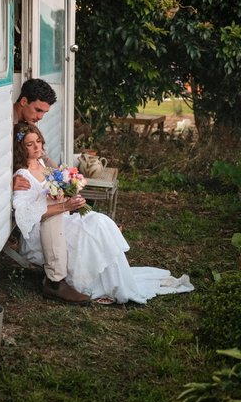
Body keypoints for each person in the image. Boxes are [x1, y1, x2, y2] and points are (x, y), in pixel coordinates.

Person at [12, 123, 195, 305]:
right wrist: (66, 205)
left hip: (61, 220)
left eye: (38, 141)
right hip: (42, 232)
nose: (37, 146)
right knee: (91, 231)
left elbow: (59, 179)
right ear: (21, 148)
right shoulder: (23, 176)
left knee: (100, 222)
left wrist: (70, 191)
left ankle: (113, 278)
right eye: (30, 144)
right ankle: (65, 283)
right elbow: (25, 214)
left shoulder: (42, 163)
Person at [12, 79, 90, 305]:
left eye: (44, 113)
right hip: (29, 204)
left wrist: (64, 178)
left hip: (38, 192)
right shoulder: (7, 122)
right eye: (38, 110)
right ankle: (56, 282)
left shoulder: (27, 123)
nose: (40, 117)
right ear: (24, 101)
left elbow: (41, 158)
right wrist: (8, 180)